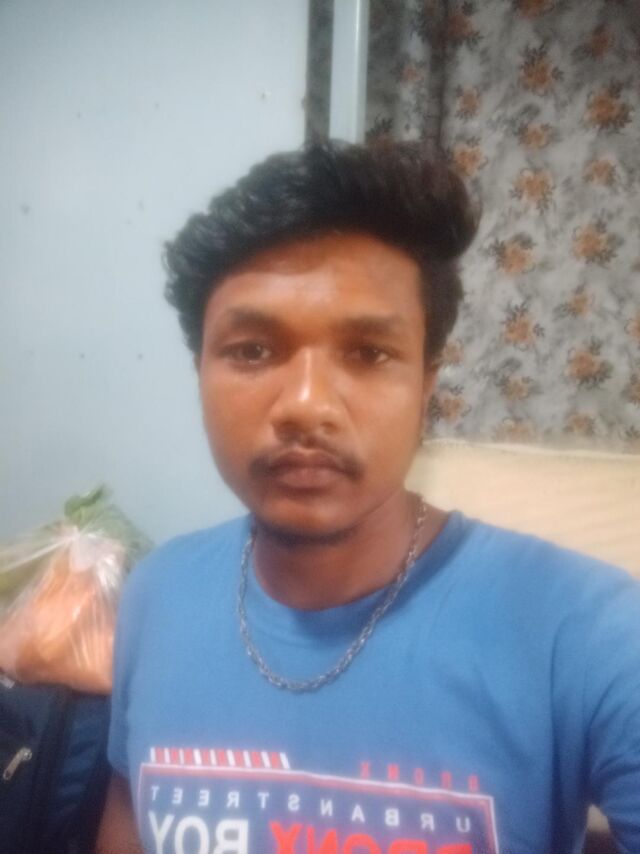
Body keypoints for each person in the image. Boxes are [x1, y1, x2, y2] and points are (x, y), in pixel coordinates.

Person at [96, 141, 640, 854]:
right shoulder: (158, 593)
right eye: (253, 350)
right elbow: (130, 819)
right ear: (200, 368)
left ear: (426, 382)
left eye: (368, 353)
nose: (306, 405)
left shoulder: (591, 633)